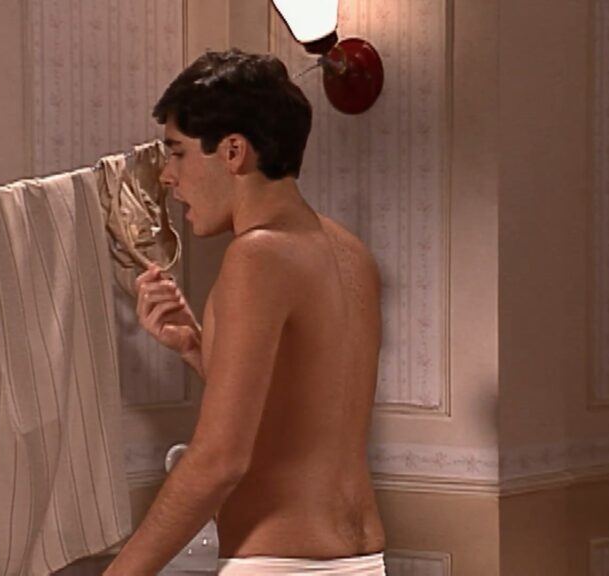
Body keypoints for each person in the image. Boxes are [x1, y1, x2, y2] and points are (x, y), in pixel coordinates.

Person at [103, 48, 387, 575]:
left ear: (233, 151)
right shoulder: (351, 253)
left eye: (178, 153)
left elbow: (218, 462)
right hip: (362, 563)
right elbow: (300, 416)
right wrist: (194, 346)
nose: (167, 177)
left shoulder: (256, 257)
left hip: (278, 565)